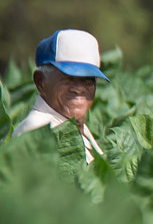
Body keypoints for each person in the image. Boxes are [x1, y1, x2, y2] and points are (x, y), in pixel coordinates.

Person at [15, 29, 110, 162]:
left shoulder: (72, 126)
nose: (79, 89)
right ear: (40, 82)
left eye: (88, 79)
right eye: (68, 78)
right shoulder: (38, 132)